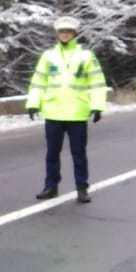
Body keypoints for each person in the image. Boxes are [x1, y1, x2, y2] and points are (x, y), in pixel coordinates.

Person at [25, 15, 107, 203]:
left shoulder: (86, 56)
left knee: (79, 153)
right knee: (52, 153)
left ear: (75, 33)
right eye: (61, 32)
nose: (64, 35)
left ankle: (82, 188)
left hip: (77, 112)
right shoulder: (48, 56)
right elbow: (38, 81)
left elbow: (97, 82)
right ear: (57, 34)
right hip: (53, 112)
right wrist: (33, 102)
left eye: (68, 32)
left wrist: (97, 106)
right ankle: (51, 186)